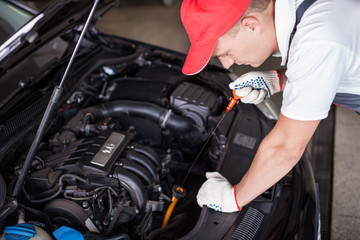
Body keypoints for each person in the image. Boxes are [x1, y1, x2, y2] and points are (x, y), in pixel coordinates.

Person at [180, 0, 360, 212]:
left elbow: (285, 148)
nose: (227, 63)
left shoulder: (319, 39)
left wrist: (234, 197)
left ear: (251, 25)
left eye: (225, 52)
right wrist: (279, 80)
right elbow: (330, 64)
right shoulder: (306, 14)